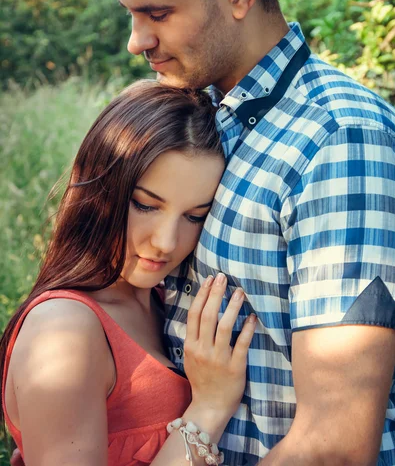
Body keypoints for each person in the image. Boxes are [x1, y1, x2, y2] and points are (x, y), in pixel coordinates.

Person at [107, 0, 395, 465]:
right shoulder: (198, 118)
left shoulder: (338, 140)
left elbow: (336, 446)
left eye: (157, 14)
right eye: (131, 14)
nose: (137, 41)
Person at [1, 80, 258, 465]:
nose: (167, 242)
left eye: (195, 216)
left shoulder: (160, 299)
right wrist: (209, 409)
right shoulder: (63, 330)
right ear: (101, 188)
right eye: (146, 205)